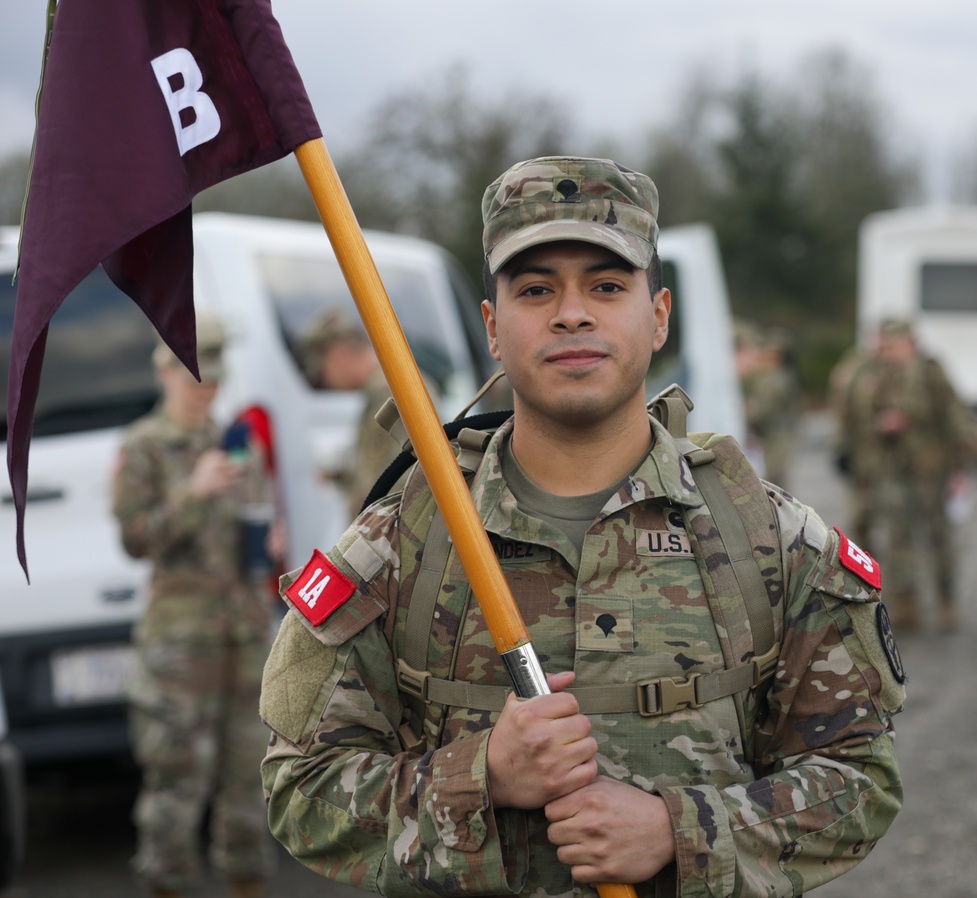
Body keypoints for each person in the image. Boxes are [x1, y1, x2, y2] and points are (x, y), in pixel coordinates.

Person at [259, 156, 904, 897]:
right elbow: (298, 789)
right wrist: (483, 778)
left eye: (606, 285)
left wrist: (681, 832)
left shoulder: (770, 538)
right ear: (493, 328)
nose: (572, 313)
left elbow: (861, 779)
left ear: (658, 315)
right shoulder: (400, 542)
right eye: (537, 290)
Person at [112, 315, 279, 898]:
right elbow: (135, 539)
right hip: (181, 643)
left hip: (244, 632)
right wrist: (193, 492)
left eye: (214, 374)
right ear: (165, 372)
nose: (206, 386)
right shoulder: (144, 447)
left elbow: (257, 520)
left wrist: (269, 538)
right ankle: (168, 882)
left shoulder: (238, 440)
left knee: (249, 778)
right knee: (176, 781)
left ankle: (247, 881)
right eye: (194, 374)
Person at [834, 317, 977, 632]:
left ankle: (946, 599)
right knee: (899, 535)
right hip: (894, 467)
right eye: (884, 344)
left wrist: (961, 465)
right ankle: (908, 604)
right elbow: (855, 411)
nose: (887, 350)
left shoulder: (930, 372)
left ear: (911, 342)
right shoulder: (873, 371)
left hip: (930, 468)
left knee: (937, 534)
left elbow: (953, 416)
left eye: (894, 344)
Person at [299, 308, 418, 515]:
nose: (326, 383)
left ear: (338, 356)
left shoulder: (385, 393)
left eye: (322, 371)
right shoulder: (390, 384)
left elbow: (382, 488)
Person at [736, 323, 801, 488]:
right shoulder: (770, 377)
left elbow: (759, 411)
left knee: (773, 485)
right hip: (771, 437)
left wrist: (738, 412)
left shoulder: (775, 380)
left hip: (774, 438)